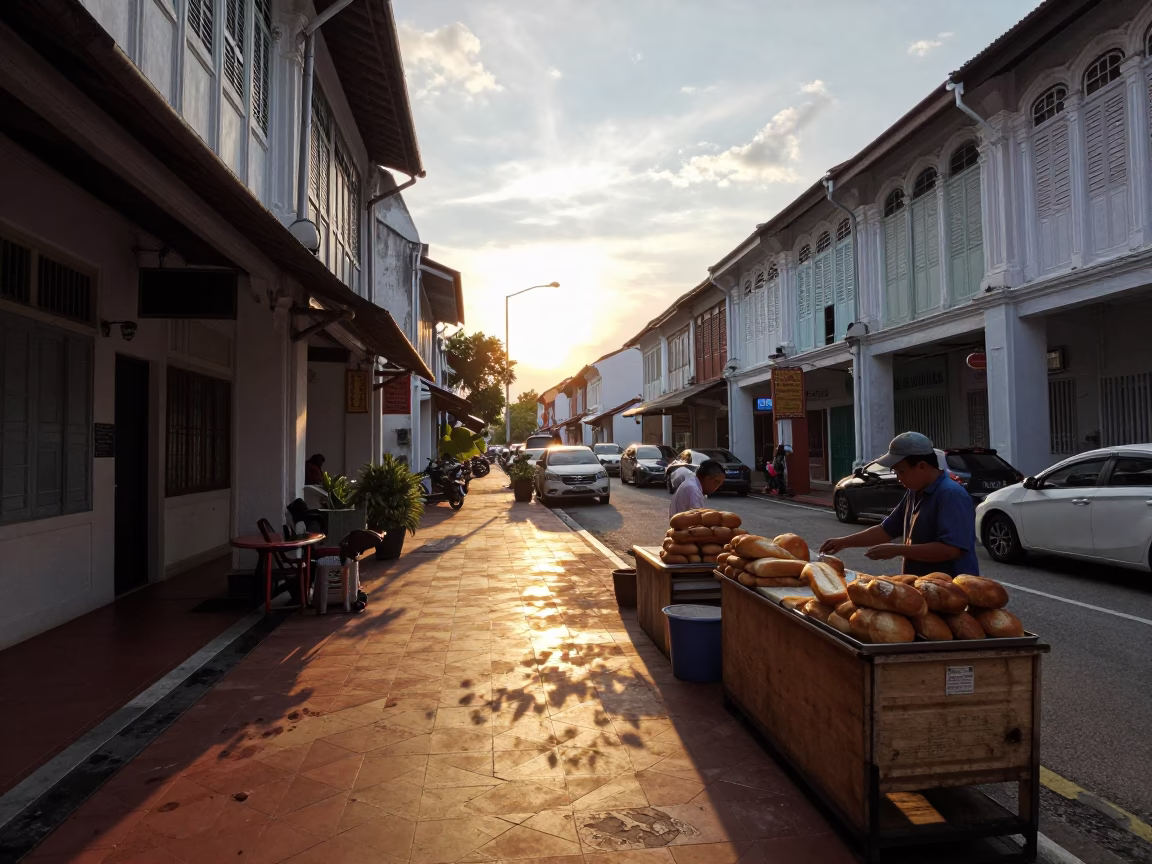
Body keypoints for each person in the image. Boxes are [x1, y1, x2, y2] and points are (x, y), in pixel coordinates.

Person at [819, 432, 978, 577]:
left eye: (901, 472)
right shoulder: (914, 491)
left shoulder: (950, 495)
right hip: (921, 585)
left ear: (922, 466)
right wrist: (843, 542)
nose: (898, 478)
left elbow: (951, 550)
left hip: (952, 589)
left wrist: (897, 550)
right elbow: (886, 530)